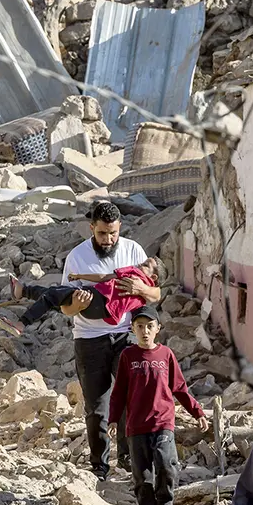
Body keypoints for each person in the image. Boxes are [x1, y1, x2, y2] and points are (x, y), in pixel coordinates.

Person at [62, 201, 161, 480]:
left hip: (126, 336)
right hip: (89, 339)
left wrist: (142, 288)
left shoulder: (133, 251)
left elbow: (155, 295)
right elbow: (65, 308)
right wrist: (77, 306)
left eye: (114, 233)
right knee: (96, 407)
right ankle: (100, 466)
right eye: (103, 233)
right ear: (92, 228)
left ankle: (130, 460)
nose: (108, 240)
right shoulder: (77, 258)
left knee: (132, 398)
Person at [108, 305, 209, 505]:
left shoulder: (166, 355)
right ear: (132, 329)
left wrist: (198, 412)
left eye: (149, 327)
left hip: (163, 422)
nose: (145, 331)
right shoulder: (128, 356)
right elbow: (119, 391)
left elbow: (180, 388)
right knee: (142, 479)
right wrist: (113, 419)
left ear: (158, 329)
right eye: (140, 327)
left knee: (166, 464)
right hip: (136, 426)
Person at [0, 257, 166, 336]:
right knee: (56, 296)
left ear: (154, 278)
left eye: (145, 265)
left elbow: (104, 277)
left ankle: (21, 322)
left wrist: (80, 276)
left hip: (98, 300)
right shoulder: (144, 297)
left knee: (53, 295)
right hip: (101, 312)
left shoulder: (135, 275)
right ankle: (23, 290)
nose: (139, 264)